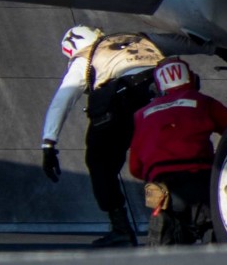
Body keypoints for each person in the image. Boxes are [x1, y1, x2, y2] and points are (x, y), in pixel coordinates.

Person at [40, 25, 164, 247]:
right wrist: (213, 48)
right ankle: (174, 219)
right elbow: (179, 41)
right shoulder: (137, 37)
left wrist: (48, 143)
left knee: (100, 163)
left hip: (124, 101)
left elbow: (63, 100)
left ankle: (121, 229)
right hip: (163, 92)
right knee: (164, 159)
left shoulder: (85, 59)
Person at [127, 58, 227, 246]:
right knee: (210, 222)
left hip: (158, 180)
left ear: (157, 87)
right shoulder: (202, 101)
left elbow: (135, 167)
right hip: (198, 175)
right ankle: (211, 233)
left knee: (162, 209)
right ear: (193, 80)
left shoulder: (141, 114)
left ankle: (161, 218)